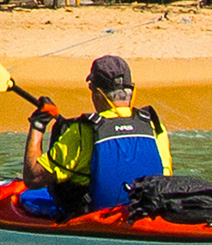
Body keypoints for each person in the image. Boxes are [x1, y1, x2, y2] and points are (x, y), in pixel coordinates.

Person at [23, 54, 171, 215]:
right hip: (146, 215)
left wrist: (38, 124)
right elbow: (165, 176)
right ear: (131, 90)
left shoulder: (82, 131)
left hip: (93, 218)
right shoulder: (154, 127)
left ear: (98, 93)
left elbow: (33, 178)